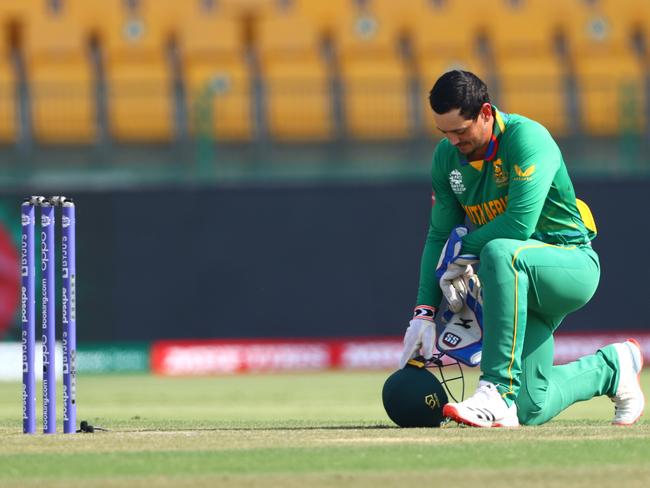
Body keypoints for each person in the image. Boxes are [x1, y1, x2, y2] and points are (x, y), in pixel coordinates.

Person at [399, 70, 644, 427]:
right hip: (515, 284)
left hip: (569, 264)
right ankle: (612, 368)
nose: (453, 141)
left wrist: (463, 255)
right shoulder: (446, 158)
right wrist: (423, 312)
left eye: (461, 131)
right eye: (444, 133)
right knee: (529, 407)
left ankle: (496, 390)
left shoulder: (528, 138)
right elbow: (439, 235)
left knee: (500, 251)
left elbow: (518, 225)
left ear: (485, 113)